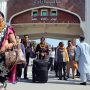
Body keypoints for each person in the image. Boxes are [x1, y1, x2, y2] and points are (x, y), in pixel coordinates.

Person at [0, 11, 16, 88]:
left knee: (1, 80)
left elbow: (14, 43)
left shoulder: (8, 29)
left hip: (3, 59)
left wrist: (5, 47)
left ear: (2, 18)